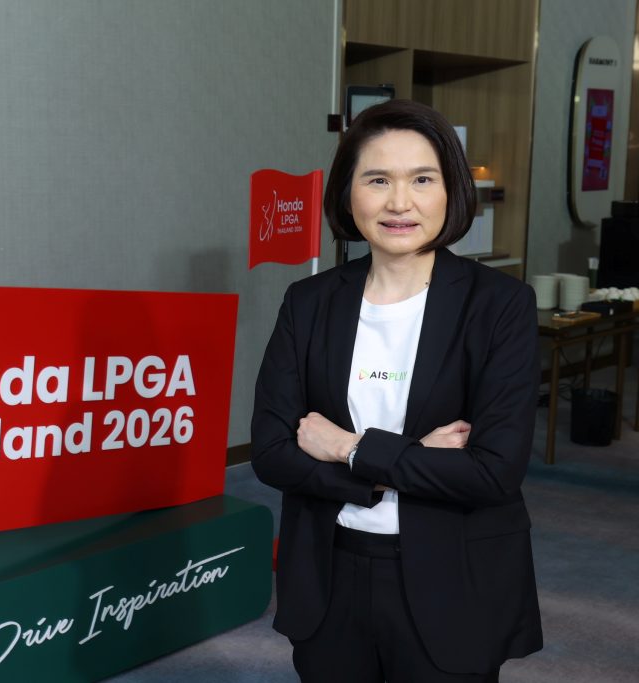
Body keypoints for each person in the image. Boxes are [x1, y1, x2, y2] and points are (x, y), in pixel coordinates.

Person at [251, 99, 542, 682]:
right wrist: (402, 464)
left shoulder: (500, 305)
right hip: (329, 572)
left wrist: (348, 448)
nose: (400, 202)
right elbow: (272, 452)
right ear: (348, 193)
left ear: (451, 191)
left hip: (451, 577)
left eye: (422, 180)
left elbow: (494, 471)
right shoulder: (308, 302)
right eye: (378, 179)